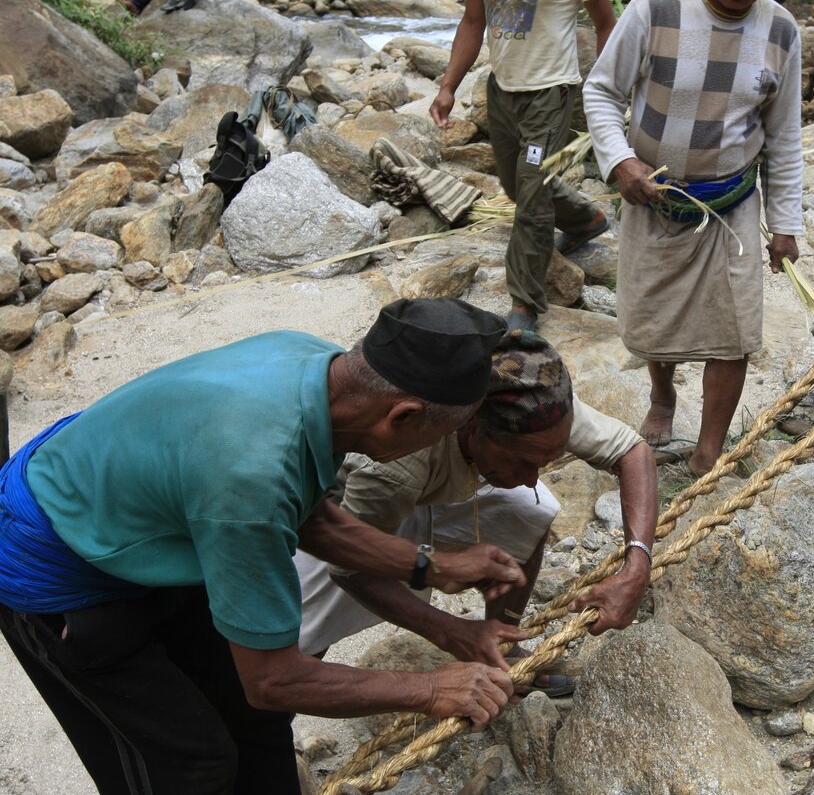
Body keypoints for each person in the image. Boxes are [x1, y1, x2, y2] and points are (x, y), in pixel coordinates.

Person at [0, 298, 529, 795]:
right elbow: (275, 679)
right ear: (404, 416)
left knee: (256, 726)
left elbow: (307, 514)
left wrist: (426, 566)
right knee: (189, 763)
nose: (439, 446)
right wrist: (432, 690)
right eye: (447, 432)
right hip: (55, 572)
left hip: (153, 529)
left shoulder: (312, 364)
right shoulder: (249, 481)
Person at [297, 330, 658, 688]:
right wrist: (450, 630)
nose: (533, 479)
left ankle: (500, 644)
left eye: (546, 461)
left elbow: (632, 452)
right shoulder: (393, 465)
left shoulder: (532, 399)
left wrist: (637, 566)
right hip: (344, 513)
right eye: (523, 462)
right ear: (471, 428)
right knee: (302, 635)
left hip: (446, 474)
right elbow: (348, 567)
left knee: (529, 509)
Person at [582, 0, 804, 476]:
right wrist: (620, 160)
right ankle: (663, 395)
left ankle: (708, 453)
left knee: (735, 330)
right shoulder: (654, 10)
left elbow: (784, 135)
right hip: (656, 199)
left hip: (733, 205)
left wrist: (786, 224)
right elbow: (602, 90)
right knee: (654, 318)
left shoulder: (781, 30)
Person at [430, 0, 618, 332]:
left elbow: (606, 24)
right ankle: (587, 218)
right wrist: (448, 87)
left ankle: (524, 305)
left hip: (551, 92)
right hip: (502, 90)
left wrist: (604, 91)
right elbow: (473, 23)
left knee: (532, 196)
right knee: (517, 185)